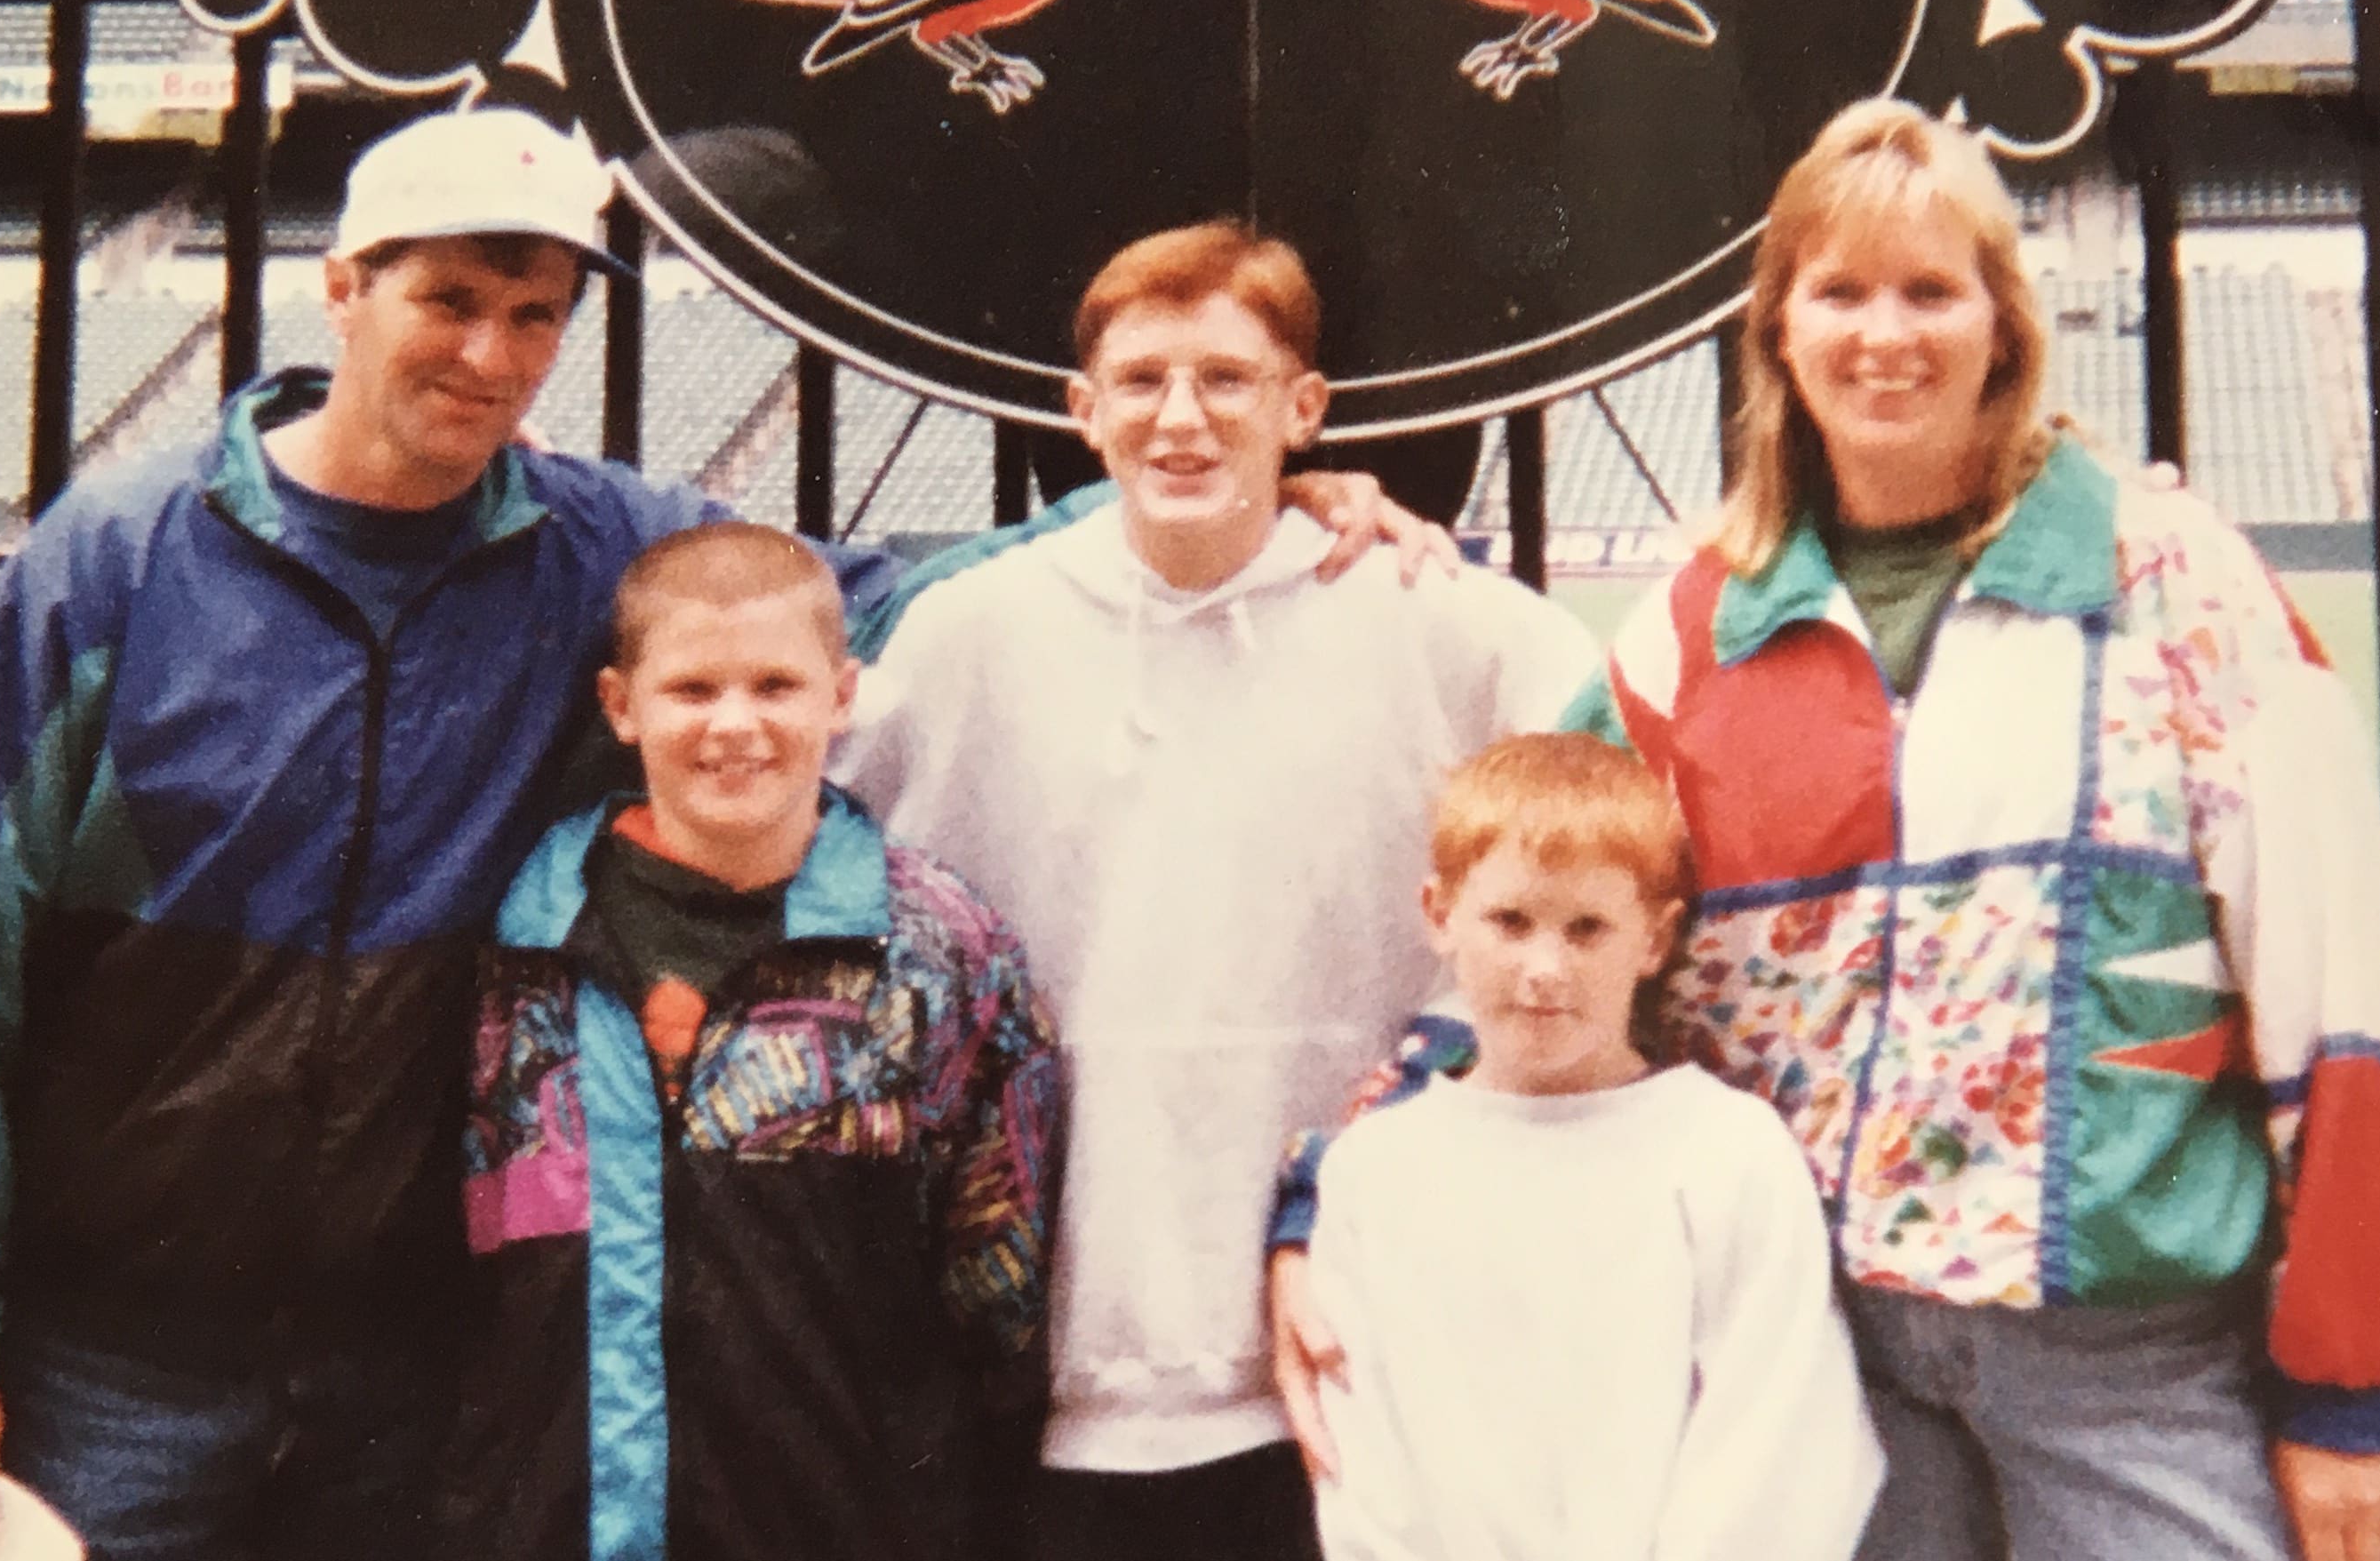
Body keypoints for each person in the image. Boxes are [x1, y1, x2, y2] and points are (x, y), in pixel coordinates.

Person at [0, 106, 1426, 1559]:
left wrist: (1211, 494)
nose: (492, 351)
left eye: (535, 312)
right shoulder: (120, 559)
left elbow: (870, 598)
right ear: (342, 288)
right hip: (124, 1347)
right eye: (451, 298)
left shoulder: (590, 540)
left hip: (408, 1355)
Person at [1274, 100, 2380, 1561]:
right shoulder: (1689, 631)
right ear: (1775, 330)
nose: (1882, 333)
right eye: (1836, 291)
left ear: (2001, 324)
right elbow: (1534, 907)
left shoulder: (2179, 591)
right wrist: (1325, 1192)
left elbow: (2339, 1013)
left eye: (1928, 289)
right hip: (1823, 1353)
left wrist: (2348, 1395)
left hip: (2122, 1357)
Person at [835, 220, 1601, 1561]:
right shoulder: (970, 631)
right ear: (1082, 410)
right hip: (1065, 1342)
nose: (1181, 417)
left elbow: (1614, 798)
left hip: (1351, 1326)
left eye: (1227, 381)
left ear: (1305, 409)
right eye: (1140, 382)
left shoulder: (1435, 617)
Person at [437, 523, 1058, 1561]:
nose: (736, 725)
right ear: (620, 706)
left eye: (776, 685)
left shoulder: (940, 953)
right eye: (693, 690)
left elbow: (998, 1287)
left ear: (843, 696)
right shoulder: (520, 942)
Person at [1305, 732, 1880, 1561]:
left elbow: (1781, 1436)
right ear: (1440, 914)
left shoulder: (1724, 1151)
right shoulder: (1376, 1172)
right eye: (1510, 920)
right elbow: (1369, 1464)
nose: (1544, 966)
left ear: (1653, 937)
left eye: (1586, 928)